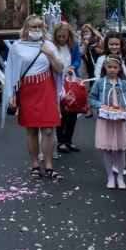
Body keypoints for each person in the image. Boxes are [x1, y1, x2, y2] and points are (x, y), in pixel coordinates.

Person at [3, 15, 64, 180]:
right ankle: (35, 165)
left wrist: (50, 53)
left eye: (39, 27)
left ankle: (49, 166)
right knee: (31, 130)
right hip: (27, 89)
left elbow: (59, 69)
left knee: (48, 130)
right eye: (34, 27)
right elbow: (11, 71)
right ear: (26, 29)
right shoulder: (17, 47)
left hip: (46, 88)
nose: (37, 30)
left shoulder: (48, 44)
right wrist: (12, 94)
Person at [88, 56, 126, 190]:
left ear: (119, 69)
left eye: (115, 67)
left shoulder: (124, 84)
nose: (112, 70)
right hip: (106, 119)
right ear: (105, 68)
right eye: (109, 67)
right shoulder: (100, 83)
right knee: (108, 150)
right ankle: (110, 177)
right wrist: (101, 105)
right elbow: (91, 98)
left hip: (120, 119)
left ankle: (120, 177)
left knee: (120, 149)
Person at [52, 22, 82, 152]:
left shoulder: (73, 45)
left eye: (64, 36)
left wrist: (72, 67)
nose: (62, 39)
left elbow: (77, 60)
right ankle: (60, 140)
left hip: (71, 79)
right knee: (61, 111)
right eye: (59, 36)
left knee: (72, 110)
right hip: (57, 80)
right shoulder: (52, 46)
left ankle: (69, 139)